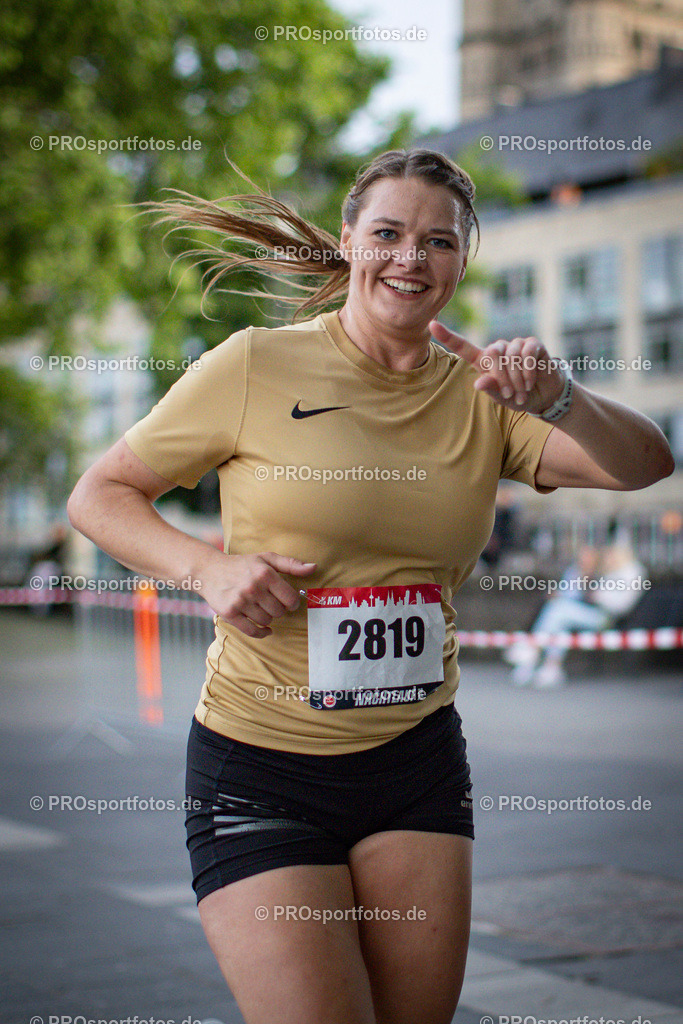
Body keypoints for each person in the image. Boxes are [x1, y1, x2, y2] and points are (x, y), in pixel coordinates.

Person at [67, 149, 674, 1024]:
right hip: (260, 768)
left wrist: (557, 398)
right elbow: (100, 495)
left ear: (462, 263)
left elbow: (645, 464)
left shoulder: (486, 395)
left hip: (415, 765)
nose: (409, 257)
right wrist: (206, 566)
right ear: (349, 241)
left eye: (437, 241)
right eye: (387, 233)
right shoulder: (254, 364)